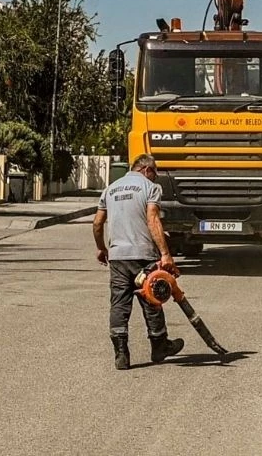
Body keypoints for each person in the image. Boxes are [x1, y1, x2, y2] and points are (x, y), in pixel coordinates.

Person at [92, 154, 185, 370]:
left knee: (119, 303)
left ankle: (121, 355)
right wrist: (165, 253)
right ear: (146, 169)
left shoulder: (110, 189)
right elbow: (152, 219)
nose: (155, 179)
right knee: (152, 299)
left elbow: (97, 223)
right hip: (144, 254)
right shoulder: (150, 188)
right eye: (155, 174)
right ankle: (160, 347)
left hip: (118, 257)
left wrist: (101, 248)